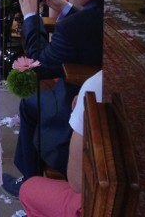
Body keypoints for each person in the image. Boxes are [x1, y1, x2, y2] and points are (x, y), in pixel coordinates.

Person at [2, 0, 105, 197]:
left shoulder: (73, 27)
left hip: (83, 97)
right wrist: (66, 7)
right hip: (104, 85)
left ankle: (31, 182)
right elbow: (90, 25)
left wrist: (30, 17)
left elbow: (41, 66)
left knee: (31, 103)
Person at [18, 70, 103, 216]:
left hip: (96, 205)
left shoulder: (97, 86)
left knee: (28, 189)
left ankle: (29, 175)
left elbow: (77, 182)